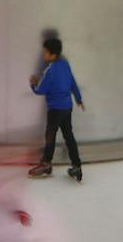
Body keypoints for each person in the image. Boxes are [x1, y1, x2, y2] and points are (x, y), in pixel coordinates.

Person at [28, 34, 84, 181]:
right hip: (67, 108)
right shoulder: (65, 64)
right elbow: (73, 83)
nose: (43, 55)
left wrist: (33, 84)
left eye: (45, 52)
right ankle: (77, 166)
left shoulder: (50, 71)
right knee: (69, 136)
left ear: (53, 54)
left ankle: (46, 164)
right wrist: (78, 99)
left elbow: (40, 90)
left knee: (50, 137)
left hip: (55, 111)